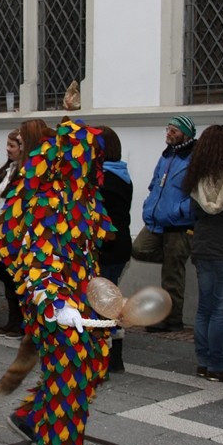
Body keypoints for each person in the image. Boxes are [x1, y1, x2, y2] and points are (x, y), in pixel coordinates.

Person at [0, 119, 112, 445]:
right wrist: (54, 302)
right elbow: (36, 258)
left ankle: (33, 418)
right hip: (53, 303)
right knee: (69, 372)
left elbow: (84, 257)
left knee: (93, 366)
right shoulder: (49, 200)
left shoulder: (84, 202)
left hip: (82, 299)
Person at [182, 125, 223, 382]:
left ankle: (203, 362)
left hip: (202, 247)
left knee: (205, 308)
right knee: (222, 309)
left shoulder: (196, 178)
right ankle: (218, 365)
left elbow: (196, 214)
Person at [130, 115, 197, 333]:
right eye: (167, 129)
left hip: (179, 224)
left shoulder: (193, 158)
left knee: (172, 274)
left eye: (174, 131)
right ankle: (172, 258)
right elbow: (155, 184)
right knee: (140, 248)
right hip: (157, 221)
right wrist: (150, 206)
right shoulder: (167, 155)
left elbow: (196, 193)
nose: (169, 134)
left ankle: (172, 318)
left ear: (185, 134)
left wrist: (180, 211)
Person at [96, 126, 132, 371]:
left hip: (107, 248)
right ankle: (113, 358)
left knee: (103, 304)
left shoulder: (105, 180)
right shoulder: (120, 173)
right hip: (118, 246)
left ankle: (108, 359)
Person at [0, 129, 25, 339]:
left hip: (15, 233)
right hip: (1, 229)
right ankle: (13, 320)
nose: (7, 149)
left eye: (12, 146)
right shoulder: (7, 169)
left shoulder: (25, 171)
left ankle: (19, 322)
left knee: (15, 279)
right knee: (6, 276)